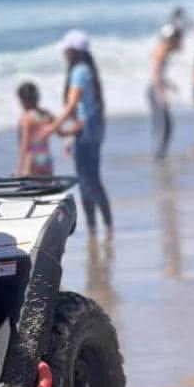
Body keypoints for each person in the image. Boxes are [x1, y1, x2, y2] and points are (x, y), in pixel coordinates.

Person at [41, 30, 113, 237]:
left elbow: (72, 105)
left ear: (74, 51)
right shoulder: (87, 69)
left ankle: (99, 227)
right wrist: (68, 135)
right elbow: (84, 110)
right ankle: (100, 226)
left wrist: (52, 128)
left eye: (66, 49)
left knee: (88, 180)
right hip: (90, 128)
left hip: (87, 131)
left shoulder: (79, 72)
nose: (64, 53)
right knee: (90, 180)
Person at [147, 23, 182, 161]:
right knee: (163, 125)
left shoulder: (163, 50)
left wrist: (170, 85)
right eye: (176, 37)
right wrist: (162, 94)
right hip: (156, 90)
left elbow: (158, 74)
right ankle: (159, 156)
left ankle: (161, 155)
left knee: (164, 125)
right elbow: (156, 74)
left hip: (156, 88)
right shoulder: (162, 50)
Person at [15, 81, 54, 176]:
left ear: (23, 100)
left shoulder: (26, 117)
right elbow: (62, 132)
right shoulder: (46, 114)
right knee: (47, 185)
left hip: (32, 158)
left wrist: (19, 169)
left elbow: (25, 145)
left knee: (30, 184)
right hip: (46, 157)